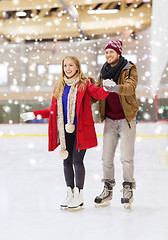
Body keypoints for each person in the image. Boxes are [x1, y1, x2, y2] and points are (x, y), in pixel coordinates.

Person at [20, 56, 109, 211]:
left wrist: (108, 88)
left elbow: (99, 94)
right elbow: (53, 111)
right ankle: (70, 192)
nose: (67, 68)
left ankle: (79, 196)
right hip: (64, 131)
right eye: (65, 65)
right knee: (66, 162)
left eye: (71, 65)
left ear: (77, 67)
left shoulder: (84, 85)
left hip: (81, 130)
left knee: (77, 161)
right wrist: (34, 114)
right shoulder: (59, 87)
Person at [93, 40, 139, 208]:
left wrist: (116, 88)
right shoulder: (103, 71)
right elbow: (98, 91)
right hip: (110, 120)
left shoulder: (129, 68)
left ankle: (128, 188)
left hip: (127, 119)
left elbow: (130, 87)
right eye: (106, 53)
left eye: (111, 52)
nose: (108, 55)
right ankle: (107, 188)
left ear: (118, 53)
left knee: (126, 158)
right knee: (106, 158)